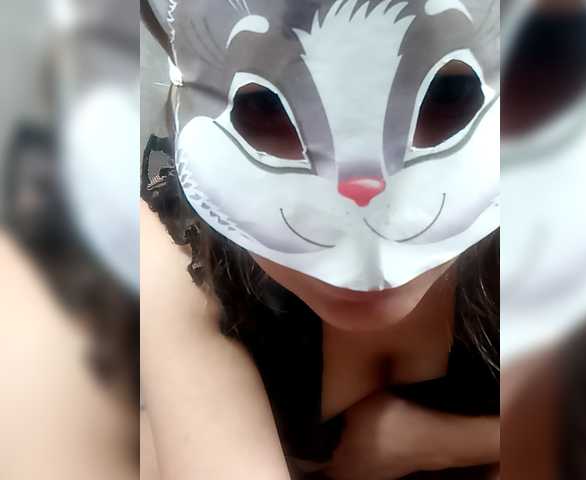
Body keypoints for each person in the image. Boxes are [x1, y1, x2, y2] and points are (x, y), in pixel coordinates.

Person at [140, 1, 500, 478]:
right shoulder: (177, 242)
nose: (366, 198)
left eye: (448, 92)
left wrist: (435, 443)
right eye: (265, 106)